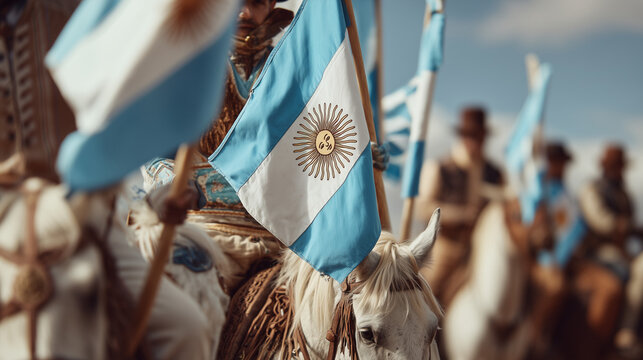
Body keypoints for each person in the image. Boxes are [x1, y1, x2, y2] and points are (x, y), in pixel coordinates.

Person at [0, 1, 211, 358]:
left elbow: (125, 119)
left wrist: (155, 201)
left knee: (184, 328)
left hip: (80, 210)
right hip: (3, 214)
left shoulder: (80, 11)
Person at [142, 0, 294, 293]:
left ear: (272, 3)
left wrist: (350, 159)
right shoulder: (186, 65)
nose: (245, 14)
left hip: (282, 242)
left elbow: (311, 146)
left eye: (256, 2)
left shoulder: (292, 72)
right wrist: (172, 183)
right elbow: (155, 145)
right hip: (201, 230)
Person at [415, 106, 505, 306]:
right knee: (428, 292)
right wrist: (461, 214)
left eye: (478, 136)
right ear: (462, 137)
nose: (475, 141)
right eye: (470, 135)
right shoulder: (439, 168)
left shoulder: (496, 172)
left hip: (483, 248)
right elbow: (423, 208)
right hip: (448, 248)